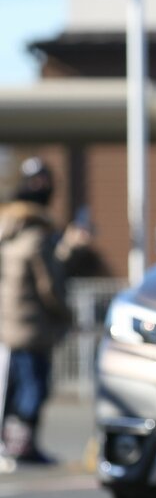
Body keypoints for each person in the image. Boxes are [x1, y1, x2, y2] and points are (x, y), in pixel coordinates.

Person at [0, 158, 73, 466]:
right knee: (34, 389)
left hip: (7, 325)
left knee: (14, 389)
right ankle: (20, 446)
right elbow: (50, 287)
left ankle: (14, 444)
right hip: (30, 326)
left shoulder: (7, 231)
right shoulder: (37, 236)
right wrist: (65, 315)